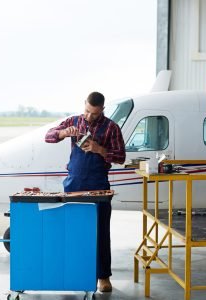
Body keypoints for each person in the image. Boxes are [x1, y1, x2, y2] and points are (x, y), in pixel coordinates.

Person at [45, 91, 125, 293]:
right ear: (84, 105)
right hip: (74, 184)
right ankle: (73, 273)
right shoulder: (74, 121)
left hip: (99, 184)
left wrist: (100, 149)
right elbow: (48, 136)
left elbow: (121, 157)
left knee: (100, 232)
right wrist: (63, 133)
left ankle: (103, 277)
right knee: (72, 230)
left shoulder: (112, 128)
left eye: (95, 114)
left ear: (103, 110)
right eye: (87, 111)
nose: (89, 117)